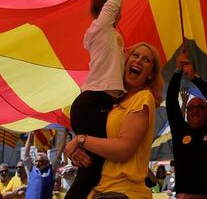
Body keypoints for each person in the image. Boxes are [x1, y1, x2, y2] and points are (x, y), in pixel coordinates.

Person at [66, 0, 143, 198]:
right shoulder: (102, 28)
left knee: (95, 168)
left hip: (96, 103)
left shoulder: (104, 33)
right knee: (93, 169)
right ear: (109, 9)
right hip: (93, 104)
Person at [64, 41, 164, 199]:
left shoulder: (143, 98)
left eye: (146, 60)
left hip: (123, 191)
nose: (138, 61)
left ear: (151, 74)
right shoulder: (116, 103)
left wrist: (81, 140)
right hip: (103, 189)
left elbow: (124, 149)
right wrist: (79, 152)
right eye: (135, 55)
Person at [165, 48, 207, 198]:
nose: (195, 111)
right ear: (186, 113)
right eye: (191, 108)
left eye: (200, 107)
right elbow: (171, 103)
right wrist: (178, 71)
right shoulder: (180, 131)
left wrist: (194, 78)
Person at [21, 132, 54, 199]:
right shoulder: (30, 169)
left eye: (40, 161)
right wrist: (30, 135)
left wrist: (65, 135)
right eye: (36, 161)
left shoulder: (51, 171)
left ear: (46, 163)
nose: (37, 163)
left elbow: (58, 156)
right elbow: (26, 154)